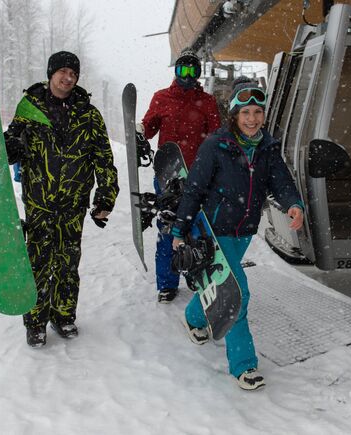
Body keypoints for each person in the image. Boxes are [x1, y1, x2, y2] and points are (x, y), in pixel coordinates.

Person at [170, 78, 304, 390]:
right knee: (236, 294)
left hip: (244, 231)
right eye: (246, 112)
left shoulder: (268, 148)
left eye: (258, 112)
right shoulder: (216, 145)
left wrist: (293, 204)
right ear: (234, 114)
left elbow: (281, 182)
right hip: (216, 232)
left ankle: (194, 317)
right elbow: (194, 189)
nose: (252, 119)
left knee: (222, 285)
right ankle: (244, 365)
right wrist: (180, 229)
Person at [4, 51, 119, 348]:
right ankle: (35, 323)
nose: (68, 78)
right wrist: (8, 146)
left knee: (68, 262)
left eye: (74, 74)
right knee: (38, 262)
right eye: (63, 72)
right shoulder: (29, 107)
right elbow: (13, 147)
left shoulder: (88, 114)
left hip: (73, 204)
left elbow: (103, 158)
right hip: (40, 202)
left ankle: (64, 315)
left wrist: (105, 195)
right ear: (51, 73)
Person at [138, 48, 221, 303]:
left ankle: (195, 273)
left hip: (198, 175)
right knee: (168, 229)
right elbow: (149, 128)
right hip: (168, 175)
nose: (187, 75)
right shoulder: (161, 97)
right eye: (182, 69)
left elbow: (216, 135)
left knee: (196, 229)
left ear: (198, 73)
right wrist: (140, 131)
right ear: (175, 71)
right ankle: (167, 283)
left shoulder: (206, 102)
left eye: (192, 70)